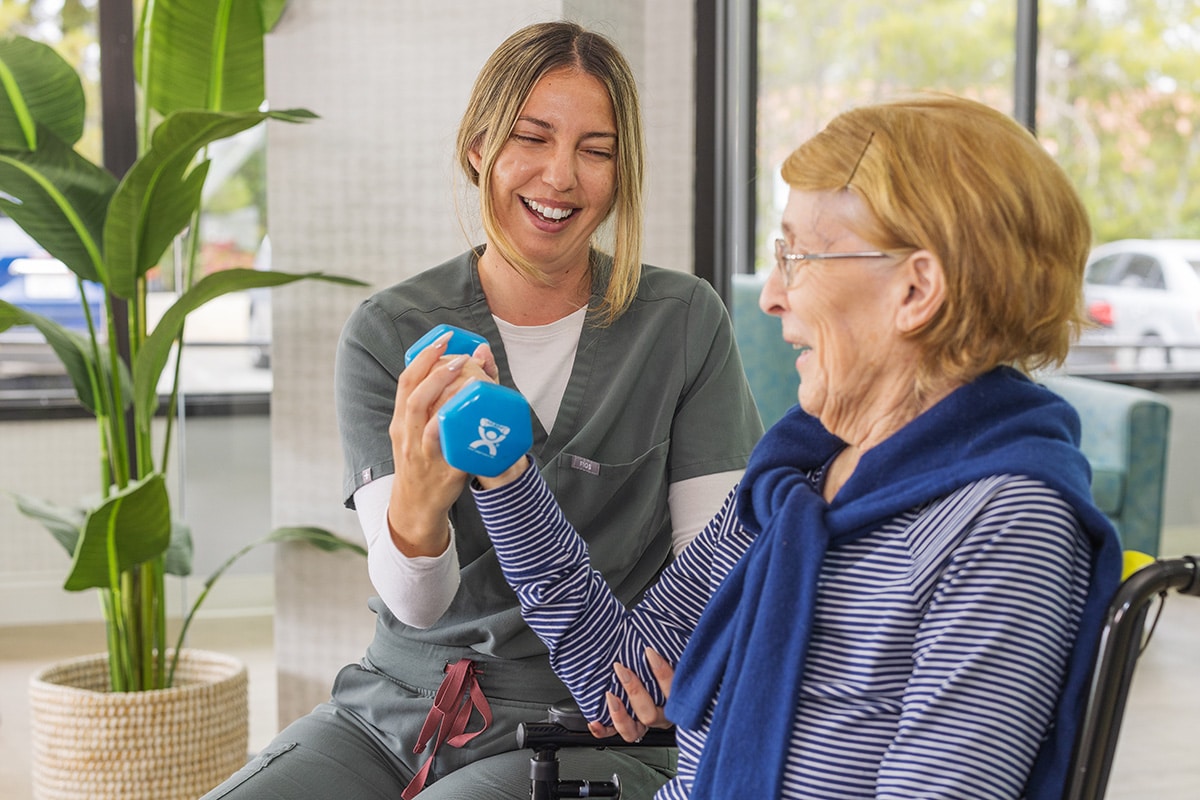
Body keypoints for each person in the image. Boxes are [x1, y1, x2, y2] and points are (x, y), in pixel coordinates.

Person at [459, 94, 1124, 799]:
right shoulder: (799, 479)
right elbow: (619, 677)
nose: (772, 294)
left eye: (798, 256)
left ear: (916, 288)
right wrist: (505, 472)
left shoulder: (1005, 523)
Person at [202, 20, 762, 800]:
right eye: (531, 138)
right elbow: (416, 603)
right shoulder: (390, 333)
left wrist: (676, 666)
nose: (560, 176)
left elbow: (716, 567)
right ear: (478, 148)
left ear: (621, 172)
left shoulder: (683, 323)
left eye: (596, 150)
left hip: (588, 720)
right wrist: (419, 500)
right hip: (396, 707)